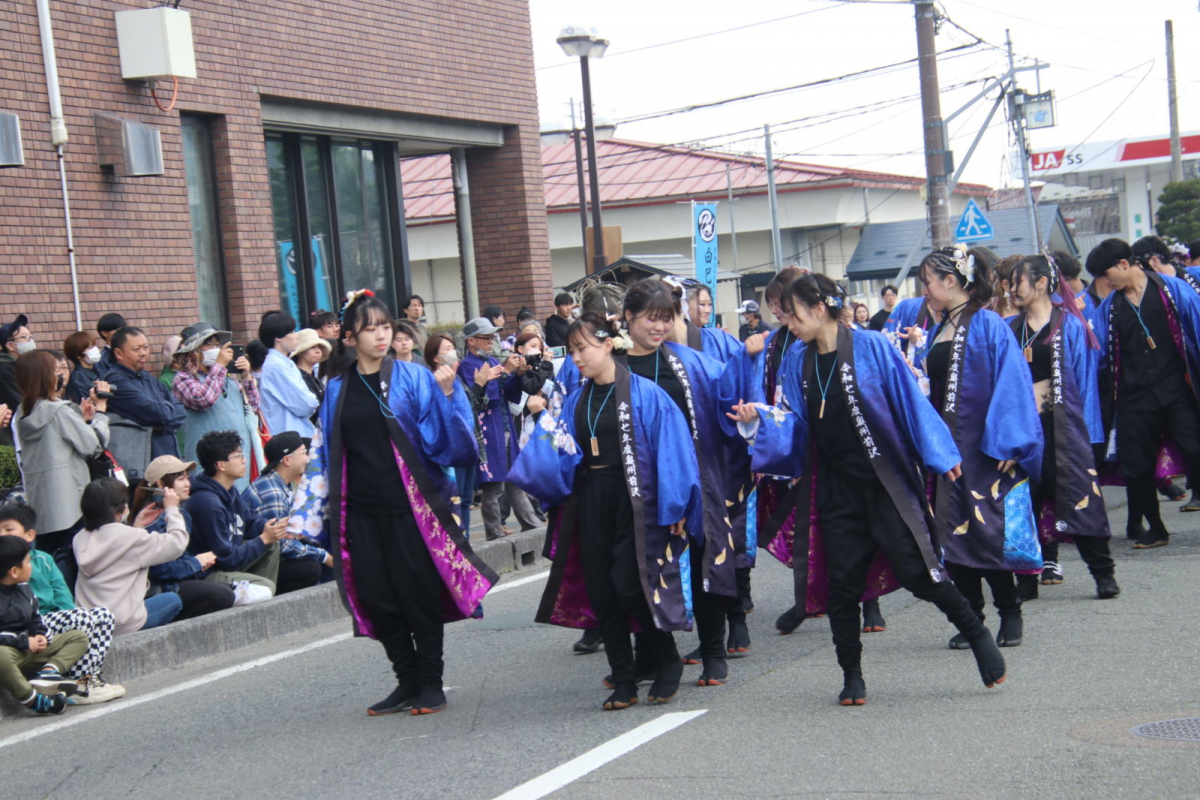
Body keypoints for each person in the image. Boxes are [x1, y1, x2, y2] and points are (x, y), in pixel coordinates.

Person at [729, 272, 1008, 706]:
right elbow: (793, 423)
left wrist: (941, 451)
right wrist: (756, 422)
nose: (788, 323)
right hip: (835, 489)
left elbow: (909, 401)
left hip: (884, 483)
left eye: (794, 314)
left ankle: (977, 634)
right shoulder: (795, 360)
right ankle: (852, 674)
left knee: (921, 573)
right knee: (841, 585)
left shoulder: (872, 346)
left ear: (819, 309)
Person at [288, 290, 497, 717]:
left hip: (412, 508)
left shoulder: (413, 377)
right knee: (377, 598)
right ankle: (405, 680)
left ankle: (431, 682)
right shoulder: (336, 388)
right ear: (349, 337)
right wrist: (306, 516)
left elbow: (446, 441)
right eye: (370, 329)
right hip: (359, 508)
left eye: (386, 326)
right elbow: (324, 452)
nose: (382, 335)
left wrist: (451, 394)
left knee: (417, 593)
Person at [510, 312, 699, 710]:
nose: (577, 357)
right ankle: (624, 678)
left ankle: (666, 658)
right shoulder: (577, 397)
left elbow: (673, 449)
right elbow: (561, 447)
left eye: (584, 348)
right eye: (573, 350)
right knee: (602, 590)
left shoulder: (646, 394)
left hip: (636, 499)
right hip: (590, 497)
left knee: (630, 584)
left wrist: (676, 503)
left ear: (609, 344)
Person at [914, 246, 1043, 650]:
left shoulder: (988, 324)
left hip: (986, 450)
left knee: (989, 529)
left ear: (950, 281)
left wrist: (1011, 442)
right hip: (947, 452)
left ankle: (1010, 611)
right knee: (952, 533)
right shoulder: (940, 327)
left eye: (928, 281)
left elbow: (1014, 384)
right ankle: (973, 618)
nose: (926, 290)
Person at [620, 279, 740, 687]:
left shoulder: (688, 361)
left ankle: (713, 651)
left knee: (704, 560)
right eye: (650, 319)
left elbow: (730, 394)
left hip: (693, 477)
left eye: (666, 319)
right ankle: (652, 653)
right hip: (636, 484)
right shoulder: (613, 364)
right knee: (643, 570)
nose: (659, 327)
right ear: (627, 318)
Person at [1006, 256, 1119, 602]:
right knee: (1022, 503)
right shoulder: (1010, 328)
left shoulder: (1070, 326)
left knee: (1080, 498)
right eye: (1010, 284)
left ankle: (1103, 572)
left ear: (1041, 283)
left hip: (1063, 429)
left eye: (1018, 283)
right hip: (1025, 431)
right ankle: (1025, 579)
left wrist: (1087, 438)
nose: (1012, 290)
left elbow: (1085, 383)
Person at [1087, 238, 1200, 548]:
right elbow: (1093, 351)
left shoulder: (1172, 291)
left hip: (1176, 390)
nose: (1105, 281)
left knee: (1196, 449)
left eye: (1107, 273)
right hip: (1133, 397)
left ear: (1124, 264)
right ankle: (1156, 528)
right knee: (1137, 467)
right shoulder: (1109, 308)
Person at [0, 504, 125, 704]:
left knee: (103, 615)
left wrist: (48, 630)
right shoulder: (6, 568)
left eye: (8, 529)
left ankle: (84, 678)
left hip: (46, 625)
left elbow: (63, 598)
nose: (2, 535)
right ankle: (79, 686)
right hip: (22, 632)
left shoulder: (43, 560)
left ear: (30, 534)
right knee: (83, 618)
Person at [13, 351, 110, 554]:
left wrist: (79, 419)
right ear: (45, 377)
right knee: (75, 562)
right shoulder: (59, 411)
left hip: (43, 508)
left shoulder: (24, 411)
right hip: (70, 507)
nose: (61, 376)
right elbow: (93, 445)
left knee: (51, 560)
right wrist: (100, 412)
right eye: (56, 371)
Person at [458, 317, 541, 541]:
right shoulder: (467, 366)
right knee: (493, 485)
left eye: (492, 337)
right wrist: (505, 371)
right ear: (471, 341)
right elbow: (484, 399)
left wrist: (518, 374)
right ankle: (494, 532)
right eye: (486, 338)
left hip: (503, 426)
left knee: (514, 480)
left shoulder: (493, 360)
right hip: (487, 430)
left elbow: (510, 394)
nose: (491, 342)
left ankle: (531, 524)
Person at [185, 430, 296, 595]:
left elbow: (250, 522)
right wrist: (264, 538)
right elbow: (225, 559)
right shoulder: (207, 503)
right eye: (238, 456)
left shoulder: (229, 490)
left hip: (228, 561)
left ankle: (256, 593)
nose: (244, 460)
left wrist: (277, 527)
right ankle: (257, 594)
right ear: (220, 465)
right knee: (265, 588)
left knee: (271, 545)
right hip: (208, 573)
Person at [73, 477, 187, 635]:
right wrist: (172, 510)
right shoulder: (132, 538)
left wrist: (137, 526)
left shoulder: (79, 538)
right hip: (123, 624)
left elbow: (114, 545)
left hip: (91, 623)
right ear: (122, 507)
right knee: (173, 600)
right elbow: (178, 543)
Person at [129, 456, 241, 615]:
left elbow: (180, 558)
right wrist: (195, 563)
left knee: (230, 590)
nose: (188, 484)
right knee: (223, 596)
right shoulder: (152, 517)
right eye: (181, 479)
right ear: (160, 484)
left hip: (176, 580)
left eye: (187, 478)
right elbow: (159, 570)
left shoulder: (180, 512)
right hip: (160, 588)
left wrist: (199, 562)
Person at [0, 536, 87, 715]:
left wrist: (40, 635)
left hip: (28, 649)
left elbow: (35, 618)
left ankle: (48, 673)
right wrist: (22, 641)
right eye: (28, 561)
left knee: (78, 637)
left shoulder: (24, 588)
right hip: (8, 651)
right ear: (14, 571)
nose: (31, 565)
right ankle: (33, 699)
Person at [172, 323, 264, 491]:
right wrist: (219, 366)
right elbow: (202, 399)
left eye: (217, 344)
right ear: (194, 350)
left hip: (237, 462)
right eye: (208, 344)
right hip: (208, 465)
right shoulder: (183, 378)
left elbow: (255, 407)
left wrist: (246, 376)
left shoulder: (228, 378)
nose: (216, 349)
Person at [243, 432, 329, 583]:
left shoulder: (282, 484)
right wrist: (323, 556)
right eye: (303, 453)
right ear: (287, 460)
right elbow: (280, 545)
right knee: (311, 567)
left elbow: (289, 535)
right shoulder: (272, 491)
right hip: (257, 564)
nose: (307, 458)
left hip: (272, 554)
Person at [425, 333, 486, 539]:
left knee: (466, 500)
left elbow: (471, 407)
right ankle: (457, 543)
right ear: (436, 358)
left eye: (453, 347)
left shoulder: (456, 379)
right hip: (452, 448)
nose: (453, 351)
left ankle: (466, 541)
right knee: (455, 499)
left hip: (468, 446)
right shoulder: (432, 381)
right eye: (448, 348)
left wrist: (480, 384)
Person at [104, 326, 187, 467]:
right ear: (118, 353)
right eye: (137, 349)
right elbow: (155, 412)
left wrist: (161, 423)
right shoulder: (115, 381)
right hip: (143, 462)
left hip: (168, 456)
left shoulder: (148, 377)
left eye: (146, 347)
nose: (143, 353)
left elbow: (181, 411)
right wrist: (165, 414)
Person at [259, 312, 319, 438]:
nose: (295, 336)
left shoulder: (284, 363)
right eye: (291, 332)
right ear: (278, 338)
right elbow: (304, 404)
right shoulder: (276, 365)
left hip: (296, 432)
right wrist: (312, 401)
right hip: (288, 435)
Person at [0, 315, 34, 447]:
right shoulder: (5, 369)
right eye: (24, 337)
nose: (29, 341)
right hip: (11, 432)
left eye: (31, 336)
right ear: (10, 345)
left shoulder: (20, 366)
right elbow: (19, 401)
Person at [290, 328, 330, 429]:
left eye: (319, 347)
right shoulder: (297, 378)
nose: (317, 351)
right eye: (312, 347)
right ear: (300, 352)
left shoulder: (313, 378)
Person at [63, 332, 103, 405]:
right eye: (90, 348)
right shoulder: (78, 379)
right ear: (79, 355)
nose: (95, 349)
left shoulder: (97, 369)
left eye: (94, 346)